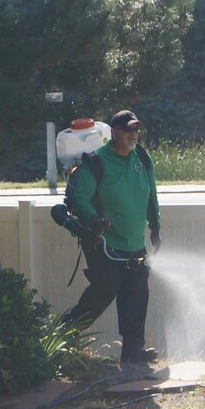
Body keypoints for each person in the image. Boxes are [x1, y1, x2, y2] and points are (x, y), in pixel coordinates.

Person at [61, 109, 162, 364]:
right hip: (105, 243)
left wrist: (156, 226)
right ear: (114, 132)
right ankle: (62, 338)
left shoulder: (142, 157)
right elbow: (81, 199)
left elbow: (152, 194)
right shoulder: (97, 162)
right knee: (103, 292)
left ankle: (133, 351)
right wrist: (94, 220)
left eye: (137, 130)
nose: (134, 134)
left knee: (137, 293)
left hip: (135, 243)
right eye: (129, 130)